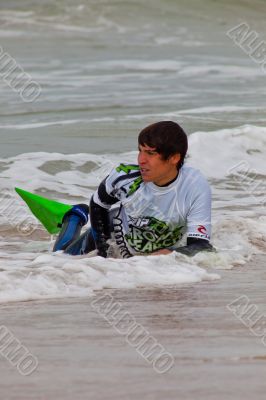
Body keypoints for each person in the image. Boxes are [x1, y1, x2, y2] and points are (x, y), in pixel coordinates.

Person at [53, 121, 213, 258]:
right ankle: (75, 217)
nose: (141, 160)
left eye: (150, 153)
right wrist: (103, 251)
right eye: (140, 151)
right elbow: (98, 204)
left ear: (174, 158)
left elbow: (200, 246)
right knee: (60, 256)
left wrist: (167, 254)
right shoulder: (124, 177)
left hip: (143, 250)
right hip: (112, 229)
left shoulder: (194, 187)